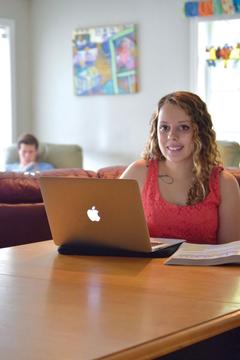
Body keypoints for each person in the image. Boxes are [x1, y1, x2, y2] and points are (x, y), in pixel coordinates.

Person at [120, 91, 240, 244]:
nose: (172, 136)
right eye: (164, 127)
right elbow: (112, 229)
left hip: (202, 269)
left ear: (200, 132)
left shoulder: (225, 184)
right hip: (149, 268)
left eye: (183, 127)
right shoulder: (138, 173)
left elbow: (230, 256)